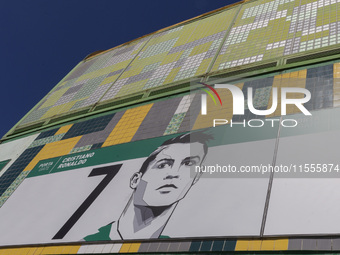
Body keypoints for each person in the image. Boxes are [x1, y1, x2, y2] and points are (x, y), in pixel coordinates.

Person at [84, 131, 211, 241]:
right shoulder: (89, 241)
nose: (173, 174)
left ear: (197, 176)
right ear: (135, 180)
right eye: (163, 165)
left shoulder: (172, 244)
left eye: (188, 163)